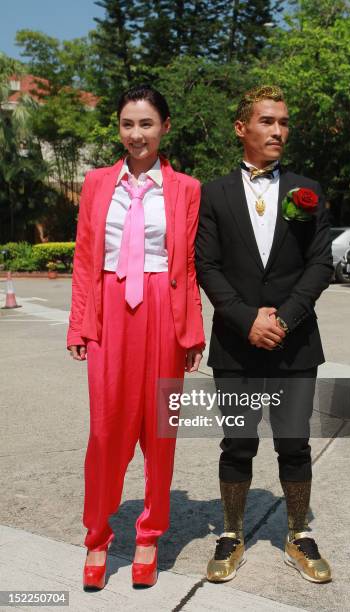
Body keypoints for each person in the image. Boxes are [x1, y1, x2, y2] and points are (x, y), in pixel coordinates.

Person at [67, 85, 205, 591]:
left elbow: (186, 263)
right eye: (128, 124)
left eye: (146, 124)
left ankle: (149, 534)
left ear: (164, 127)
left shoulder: (186, 188)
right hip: (109, 309)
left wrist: (192, 330)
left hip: (163, 314)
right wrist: (79, 320)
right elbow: (85, 258)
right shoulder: (98, 182)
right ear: (119, 128)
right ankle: (98, 536)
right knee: (105, 431)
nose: (136, 134)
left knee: (160, 432)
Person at [195, 85, 333, 584]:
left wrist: (283, 319)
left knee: (294, 442)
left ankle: (298, 533)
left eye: (284, 122)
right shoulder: (212, 193)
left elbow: (321, 263)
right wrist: (246, 318)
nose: (278, 131)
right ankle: (232, 533)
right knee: (237, 442)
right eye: (267, 121)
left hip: (295, 343)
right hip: (236, 344)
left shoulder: (307, 189)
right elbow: (206, 265)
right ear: (242, 128)